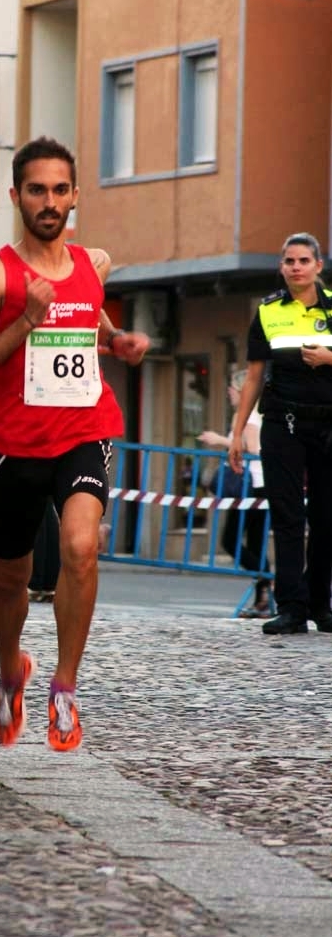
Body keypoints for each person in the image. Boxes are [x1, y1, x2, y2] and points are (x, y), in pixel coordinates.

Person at [0, 136, 149, 751]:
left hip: (84, 430)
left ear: (75, 196)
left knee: (80, 545)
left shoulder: (95, 264)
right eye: (36, 189)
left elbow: (91, 321)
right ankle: (12, 672)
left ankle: (64, 688)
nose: (49, 200)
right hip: (15, 443)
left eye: (60, 189)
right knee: (10, 577)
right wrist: (25, 321)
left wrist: (117, 342)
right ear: (15, 195)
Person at [228, 231, 332, 635]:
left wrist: (328, 357)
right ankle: (291, 607)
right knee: (287, 518)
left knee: (326, 519)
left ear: (318, 266)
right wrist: (237, 433)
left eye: (304, 260)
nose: (296, 267)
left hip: (327, 425)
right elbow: (254, 377)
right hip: (281, 425)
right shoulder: (268, 310)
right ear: (282, 267)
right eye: (289, 261)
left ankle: (321, 606)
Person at [198, 371, 270, 615]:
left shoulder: (247, 418)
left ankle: (268, 580)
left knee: (231, 540)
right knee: (256, 543)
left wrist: (219, 439)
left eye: (232, 387)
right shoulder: (250, 416)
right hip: (258, 486)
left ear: (243, 391)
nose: (229, 392)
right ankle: (263, 598)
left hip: (253, 487)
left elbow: (253, 449)